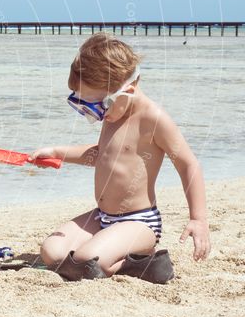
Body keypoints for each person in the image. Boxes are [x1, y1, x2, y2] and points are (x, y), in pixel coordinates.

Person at [31, 33, 210, 283]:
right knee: (52, 251)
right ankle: (106, 254)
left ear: (130, 88)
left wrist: (198, 219)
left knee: (86, 261)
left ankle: (145, 264)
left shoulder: (153, 119)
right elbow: (100, 155)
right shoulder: (114, 114)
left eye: (99, 106)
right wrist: (58, 153)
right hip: (102, 216)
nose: (95, 115)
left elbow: (188, 164)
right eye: (85, 107)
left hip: (138, 222)